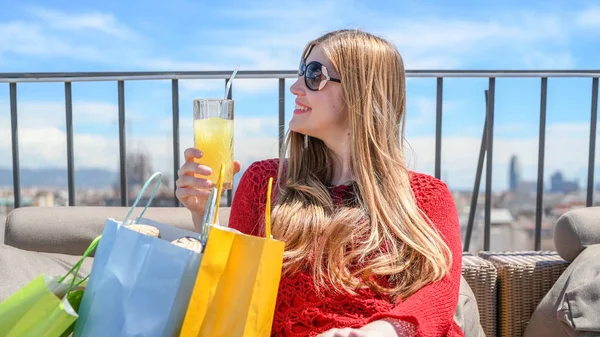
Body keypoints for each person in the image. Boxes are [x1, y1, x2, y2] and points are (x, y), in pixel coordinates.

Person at [176, 29, 464, 337]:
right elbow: (235, 291)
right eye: (301, 72)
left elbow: (439, 291)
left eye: (315, 75)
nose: (296, 87)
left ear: (361, 91)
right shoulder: (264, 182)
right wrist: (203, 214)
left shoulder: (427, 196)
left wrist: (378, 332)